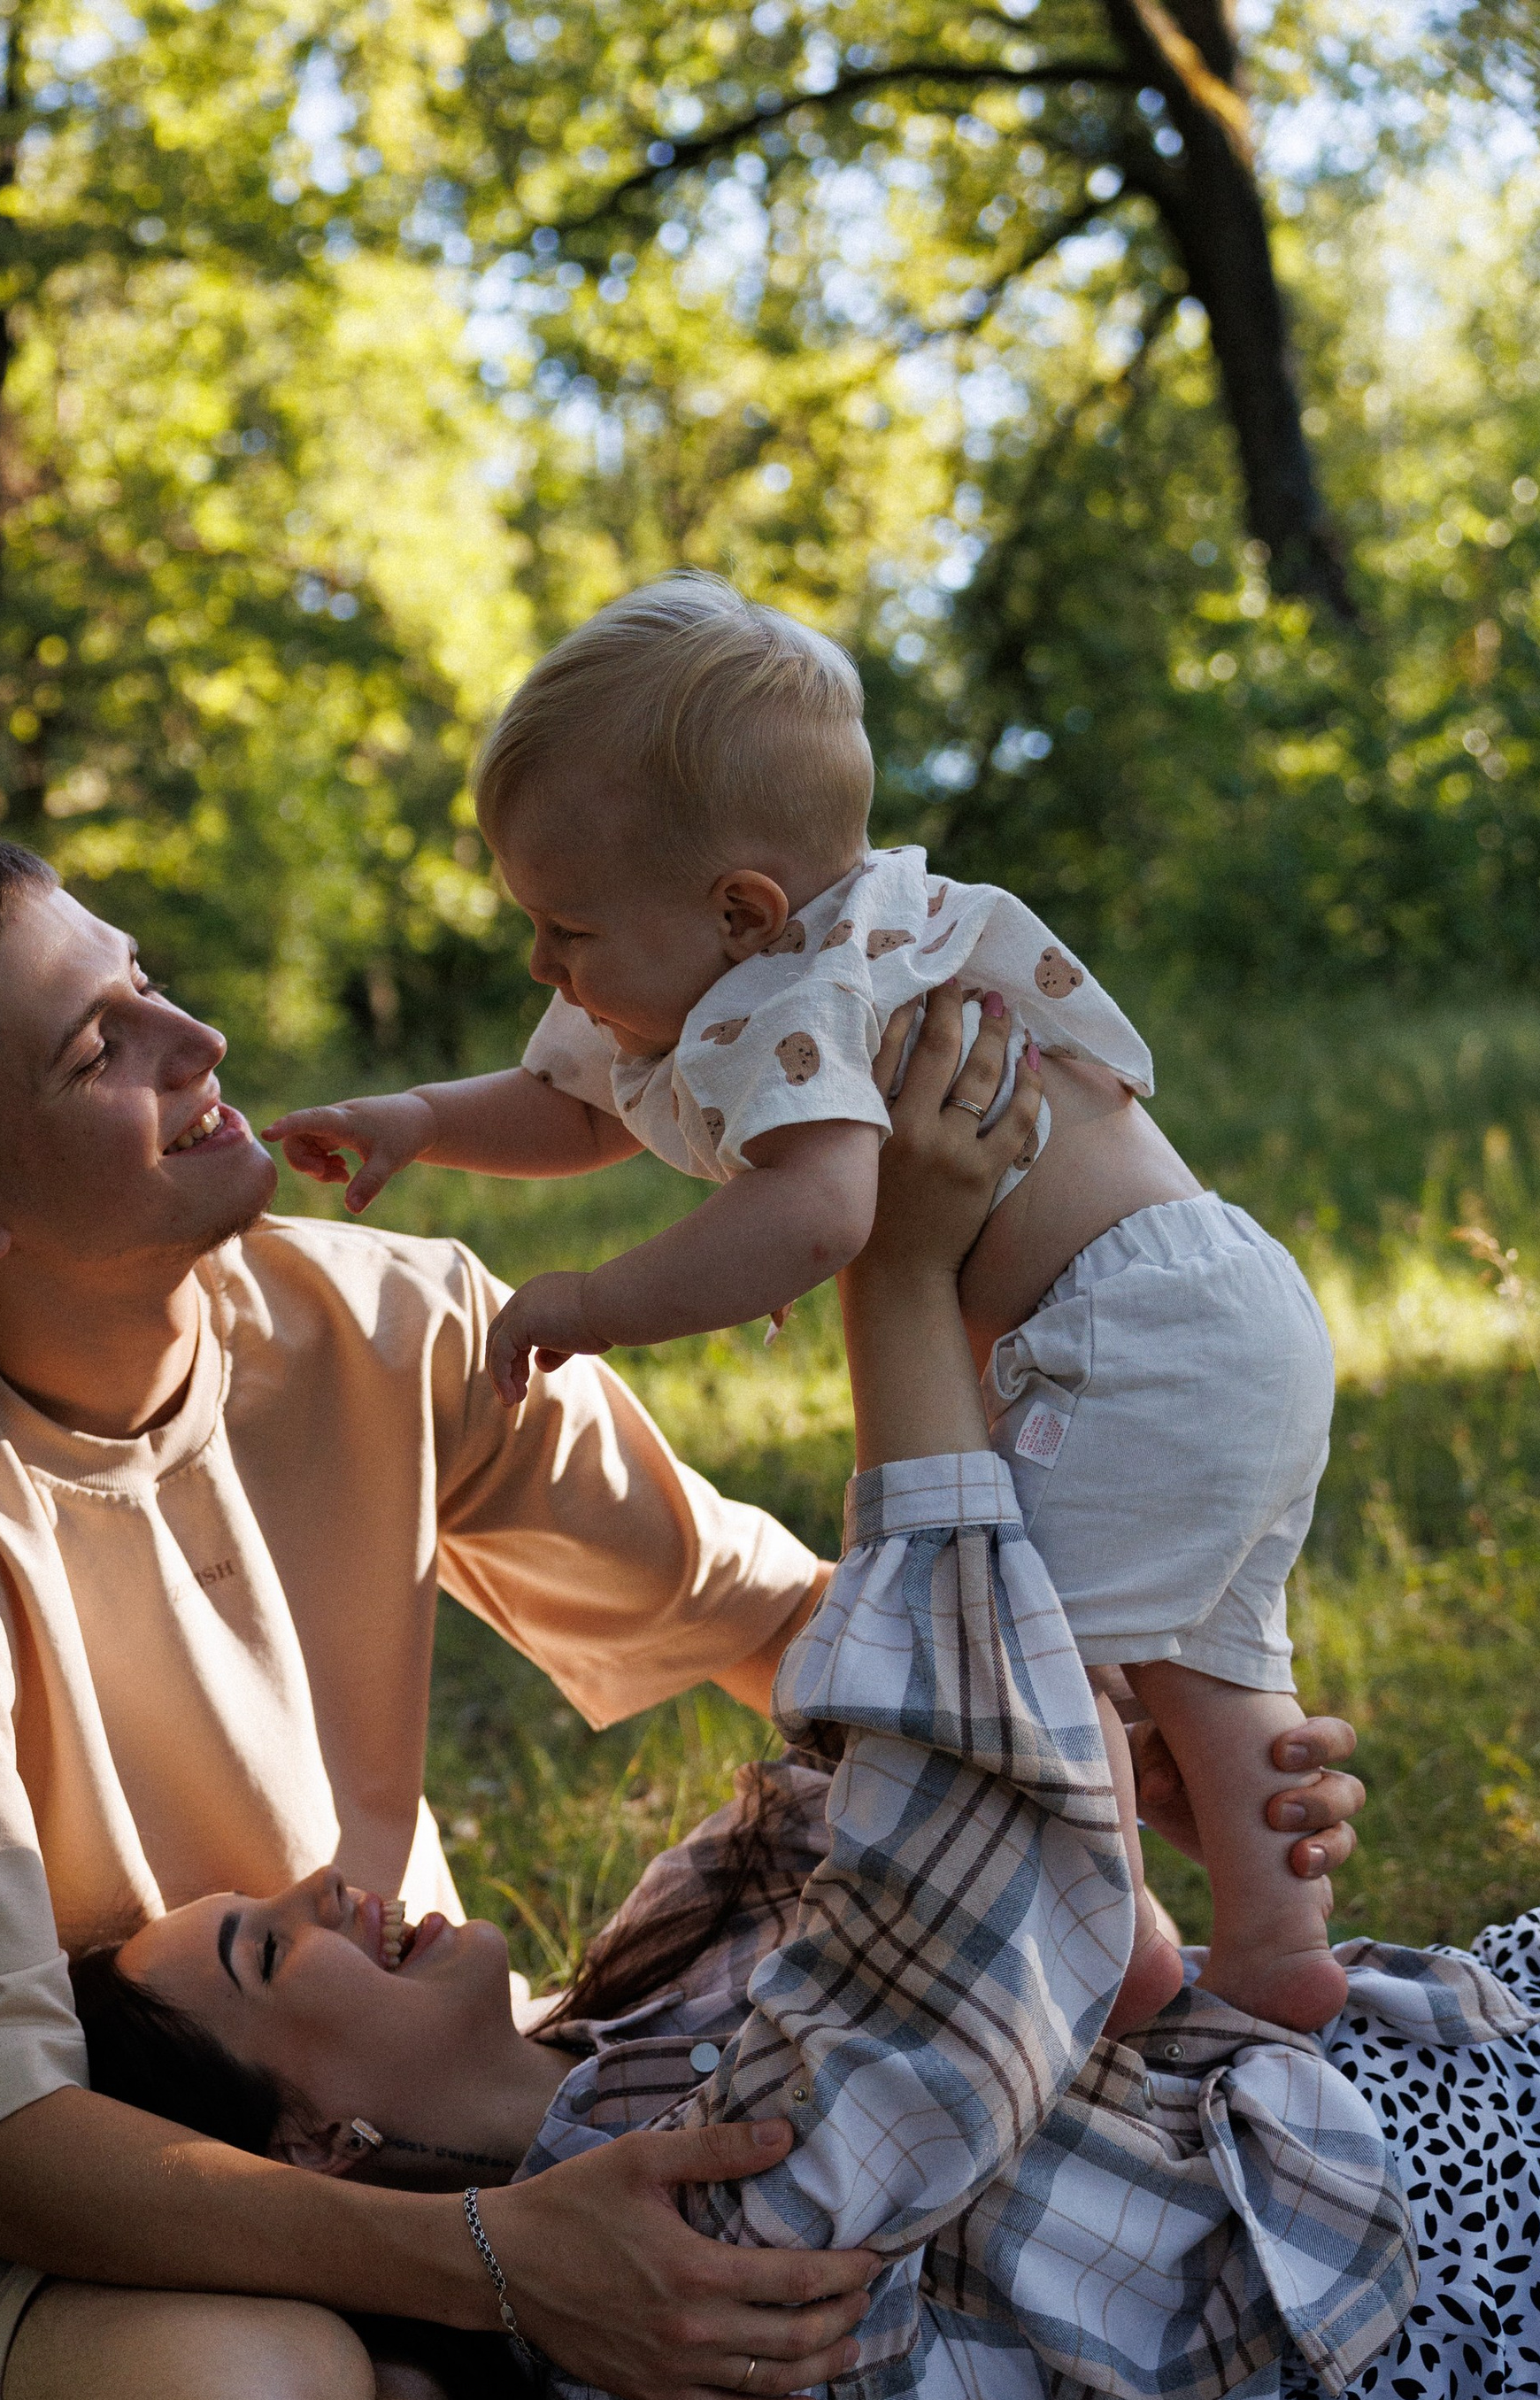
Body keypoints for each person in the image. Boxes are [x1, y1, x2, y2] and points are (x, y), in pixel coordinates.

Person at [93, 985, 1540, 2400]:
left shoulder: (637, 1986)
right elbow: (952, 1878)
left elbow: (897, 1783)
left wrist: (1145, 1762)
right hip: (1455, 2316)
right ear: (323, 2144)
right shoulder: (667, 2315)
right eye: (268, 1951)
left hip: (1434, 2067)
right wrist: (896, 1282)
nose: (317, 1886)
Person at [0, 829, 869, 2400]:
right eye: (99, 1048)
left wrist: (1144, 1743)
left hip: (428, 2100)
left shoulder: (391, 1319)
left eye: (147, 978)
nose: (196, 1039)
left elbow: (765, 1620)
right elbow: (2, 2152)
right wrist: (505, 2271)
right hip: (124, 2223)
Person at [269, 575, 1341, 2038]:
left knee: (1020, 1668)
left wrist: (589, 1300)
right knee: (1213, 1668)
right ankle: (1282, 1953)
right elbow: (568, 1104)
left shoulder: (805, 992)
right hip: (1231, 1311)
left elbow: (821, 1212)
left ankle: (1125, 1963)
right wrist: (413, 1118)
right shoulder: (750, 970)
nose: (543, 965)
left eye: (566, 927)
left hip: (1118, 1338)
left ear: (742, 911)